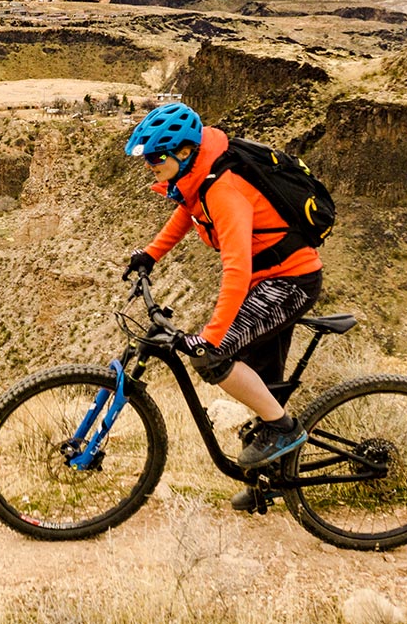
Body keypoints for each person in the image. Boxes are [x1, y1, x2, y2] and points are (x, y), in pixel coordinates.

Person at [122, 102, 322, 511]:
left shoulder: (224, 189)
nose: (150, 167)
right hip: (267, 279)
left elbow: (237, 268)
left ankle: (283, 429)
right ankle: (269, 482)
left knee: (214, 358)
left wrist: (211, 338)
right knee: (263, 382)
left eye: (157, 157)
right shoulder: (200, 179)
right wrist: (150, 254)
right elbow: (188, 213)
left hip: (289, 281)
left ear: (183, 153)